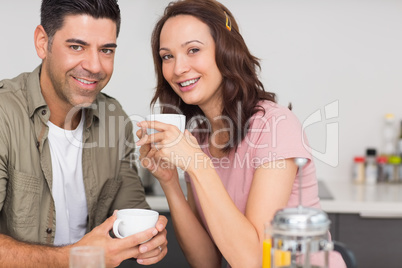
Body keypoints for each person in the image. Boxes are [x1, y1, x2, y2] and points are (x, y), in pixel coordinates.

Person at [136, 0, 346, 267]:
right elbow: (206, 261)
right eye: (167, 56)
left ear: (226, 51)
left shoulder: (275, 126)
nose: (178, 68)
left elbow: (255, 261)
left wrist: (197, 165)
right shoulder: (199, 138)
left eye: (193, 50)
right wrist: (169, 182)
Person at [0, 0, 167, 267]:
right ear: (43, 42)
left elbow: (133, 213)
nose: (95, 66)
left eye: (106, 50)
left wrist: (150, 238)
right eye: (77, 46)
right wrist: (73, 258)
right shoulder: (4, 115)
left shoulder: (115, 118)